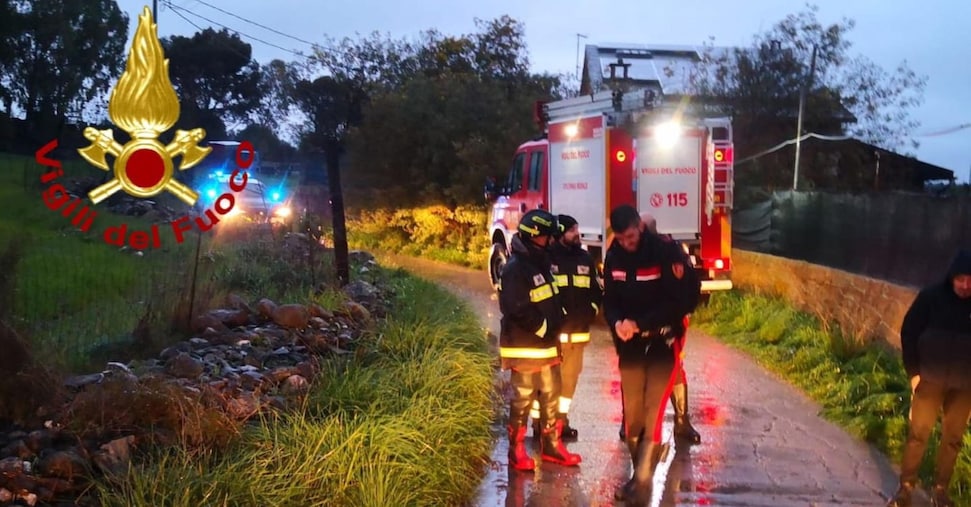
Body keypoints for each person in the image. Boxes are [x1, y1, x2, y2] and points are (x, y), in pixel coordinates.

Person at [603, 204, 701, 505]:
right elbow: (610, 298)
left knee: (653, 411)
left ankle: (643, 483)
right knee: (633, 416)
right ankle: (638, 475)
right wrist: (617, 321)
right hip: (631, 345)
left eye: (630, 237)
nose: (626, 244)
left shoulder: (665, 252)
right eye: (620, 239)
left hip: (662, 342)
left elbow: (681, 302)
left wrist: (642, 323)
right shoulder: (615, 255)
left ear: (640, 228)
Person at [498, 209, 582, 471]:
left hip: (546, 348)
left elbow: (550, 298)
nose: (551, 242)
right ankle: (516, 451)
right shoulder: (516, 269)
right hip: (525, 349)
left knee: (551, 397)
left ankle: (552, 447)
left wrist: (559, 319)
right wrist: (545, 327)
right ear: (535, 237)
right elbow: (517, 308)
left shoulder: (540, 262)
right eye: (547, 237)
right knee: (522, 401)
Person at [887, 249, 971, 507]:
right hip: (929, 381)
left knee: (953, 439)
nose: (965, 286)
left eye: (970, 280)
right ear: (951, 277)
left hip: (964, 387)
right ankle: (905, 489)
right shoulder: (930, 298)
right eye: (960, 279)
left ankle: (940, 491)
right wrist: (914, 374)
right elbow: (909, 333)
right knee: (918, 434)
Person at [618, 213, 702, 445]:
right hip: (637, 322)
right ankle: (632, 422)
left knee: (673, 368)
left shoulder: (669, 251)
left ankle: (681, 423)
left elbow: (690, 284)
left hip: (665, 323)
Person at [535, 214, 603, 441]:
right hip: (554, 335)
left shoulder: (585, 258)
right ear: (560, 233)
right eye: (572, 230)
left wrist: (592, 311)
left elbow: (595, 290)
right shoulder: (546, 259)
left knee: (570, 381)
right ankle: (540, 423)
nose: (577, 234)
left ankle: (561, 421)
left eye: (577, 229)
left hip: (578, 334)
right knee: (546, 381)